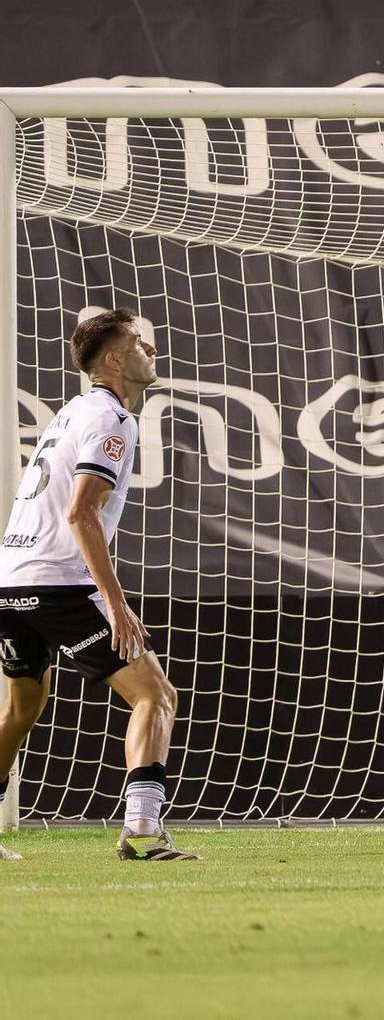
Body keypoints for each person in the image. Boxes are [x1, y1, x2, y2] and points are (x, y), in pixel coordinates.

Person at [0, 309, 197, 861]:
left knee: (20, 710)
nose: (150, 350)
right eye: (138, 342)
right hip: (59, 584)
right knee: (155, 695)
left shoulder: (71, 412)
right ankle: (143, 829)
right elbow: (81, 513)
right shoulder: (112, 419)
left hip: (9, 582)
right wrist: (116, 604)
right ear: (113, 359)